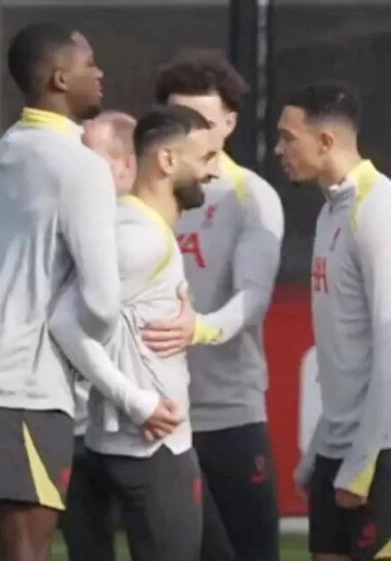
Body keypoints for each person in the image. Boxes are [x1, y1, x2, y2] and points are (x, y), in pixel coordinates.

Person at [0, 22, 120, 561]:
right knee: (26, 549)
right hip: (22, 382)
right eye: (88, 63)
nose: (99, 73)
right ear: (58, 79)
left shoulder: (14, 144)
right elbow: (102, 303)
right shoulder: (80, 166)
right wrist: (84, 351)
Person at [275, 81, 391, 561]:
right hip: (341, 447)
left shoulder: (383, 211)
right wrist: (321, 448)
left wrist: (364, 461)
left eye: (288, 137)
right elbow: (348, 355)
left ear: (325, 141)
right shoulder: (331, 213)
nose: (279, 149)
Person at [49, 104, 220, 561]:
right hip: (147, 448)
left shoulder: (138, 227)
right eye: (205, 158)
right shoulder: (137, 237)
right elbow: (65, 322)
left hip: (136, 443)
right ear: (167, 160)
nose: (214, 171)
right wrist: (136, 401)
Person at [149, 49, 285, 561]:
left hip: (228, 415)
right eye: (178, 119)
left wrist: (198, 329)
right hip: (157, 418)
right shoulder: (140, 198)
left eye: (204, 122)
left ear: (229, 123)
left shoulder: (250, 196)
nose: (191, 133)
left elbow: (253, 297)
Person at [57, 110, 137, 561]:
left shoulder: (149, 233)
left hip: (139, 433)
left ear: (126, 166)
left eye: (91, 161)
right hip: (75, 429)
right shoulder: (64, 228)